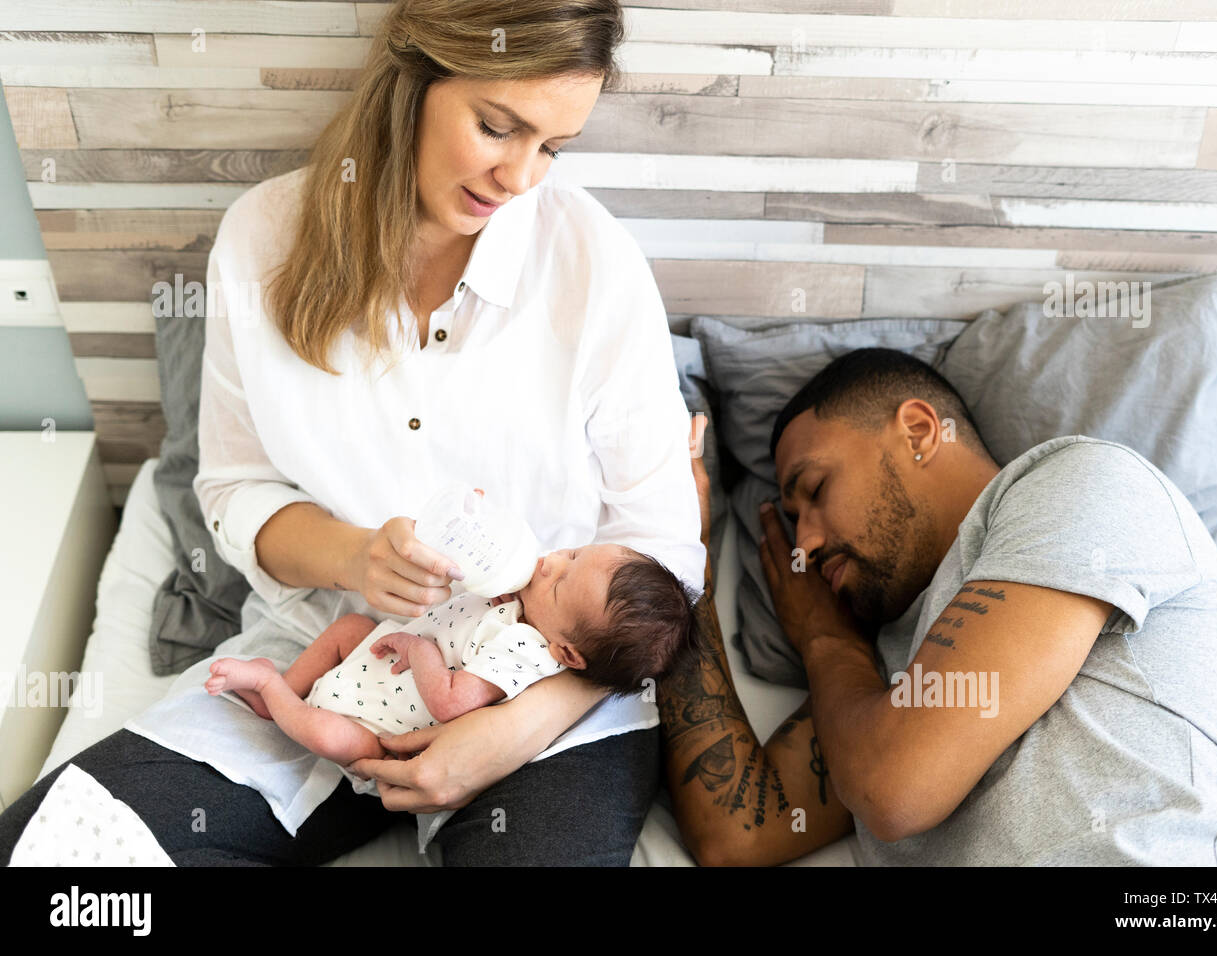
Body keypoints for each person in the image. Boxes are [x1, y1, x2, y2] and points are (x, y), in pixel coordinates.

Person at [0, 0, 707, 867]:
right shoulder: (261, 242)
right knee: (52, 861)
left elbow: (665, 551)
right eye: (496, 127)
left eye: (552, 147)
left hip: (546, 683)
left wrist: (510, 730)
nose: (522, 177)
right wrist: (355, 556)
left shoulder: (593, 266)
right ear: (413, 78)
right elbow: (235, 489)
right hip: (325, 658)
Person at [662, 350, 1217, 866]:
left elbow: (896, 788)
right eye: (793, 519)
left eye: (817, 489)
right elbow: (736, 832)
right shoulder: (869, 694)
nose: (804, 544)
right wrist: (685, 570)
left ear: (917, 430)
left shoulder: (1079, 484)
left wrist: (825, 643)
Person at [202, 543, 698, 798]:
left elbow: (452, 701)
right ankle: (286, 685)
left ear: (566, 654)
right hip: (379, 663)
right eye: (572, 554)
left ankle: (271, 687)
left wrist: (419, 649)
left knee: (335, 741)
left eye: (559, 583)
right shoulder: (528, 608)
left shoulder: (528, 652)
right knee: (350, 626)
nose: (549, 563)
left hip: (373, 721)